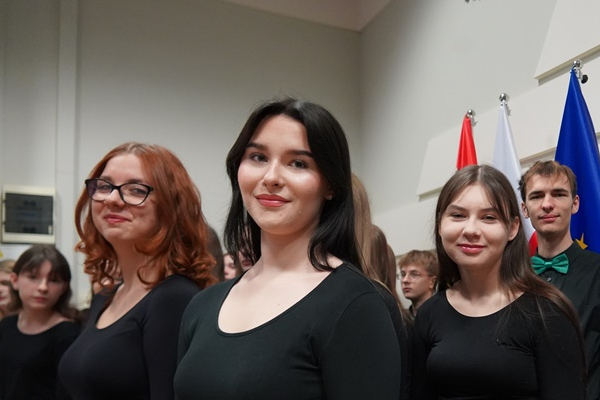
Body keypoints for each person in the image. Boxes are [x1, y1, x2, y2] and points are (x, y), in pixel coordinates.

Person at [175, 97, 402, 400]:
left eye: (298, 163)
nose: (271, 178)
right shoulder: (202, 306)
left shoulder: (354, 304)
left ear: (331, 185)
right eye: (258, 157)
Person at [411, 164, 586, 400]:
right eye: (458, 215)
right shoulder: (429, 314)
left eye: (489, 217)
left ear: (512, 228)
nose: (471, 230)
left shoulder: (547, 311)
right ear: (440, 224)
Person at [58, 142, 216, 400]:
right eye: (104, 186)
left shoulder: (173, 298)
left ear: (171, 208)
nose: (112, 199)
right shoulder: (106, 296)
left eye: (135, 190)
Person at [520, 160, 600, 400]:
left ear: (575, 204)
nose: (547, 204)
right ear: (524, 209)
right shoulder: (512, 279)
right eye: (536, 196)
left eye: (558, 194)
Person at [0, 245, 79, 400]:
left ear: (64, 288)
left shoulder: (68, 335)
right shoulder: (6, 326)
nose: (43, 287)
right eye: (33, 277)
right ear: (15, 280)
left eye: (53, 280)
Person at [398, 250, 438, 318]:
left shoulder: (443, 314)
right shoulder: (400, 318)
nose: (405, 280)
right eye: (403, 274)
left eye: (414, 274)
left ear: (432, 281)